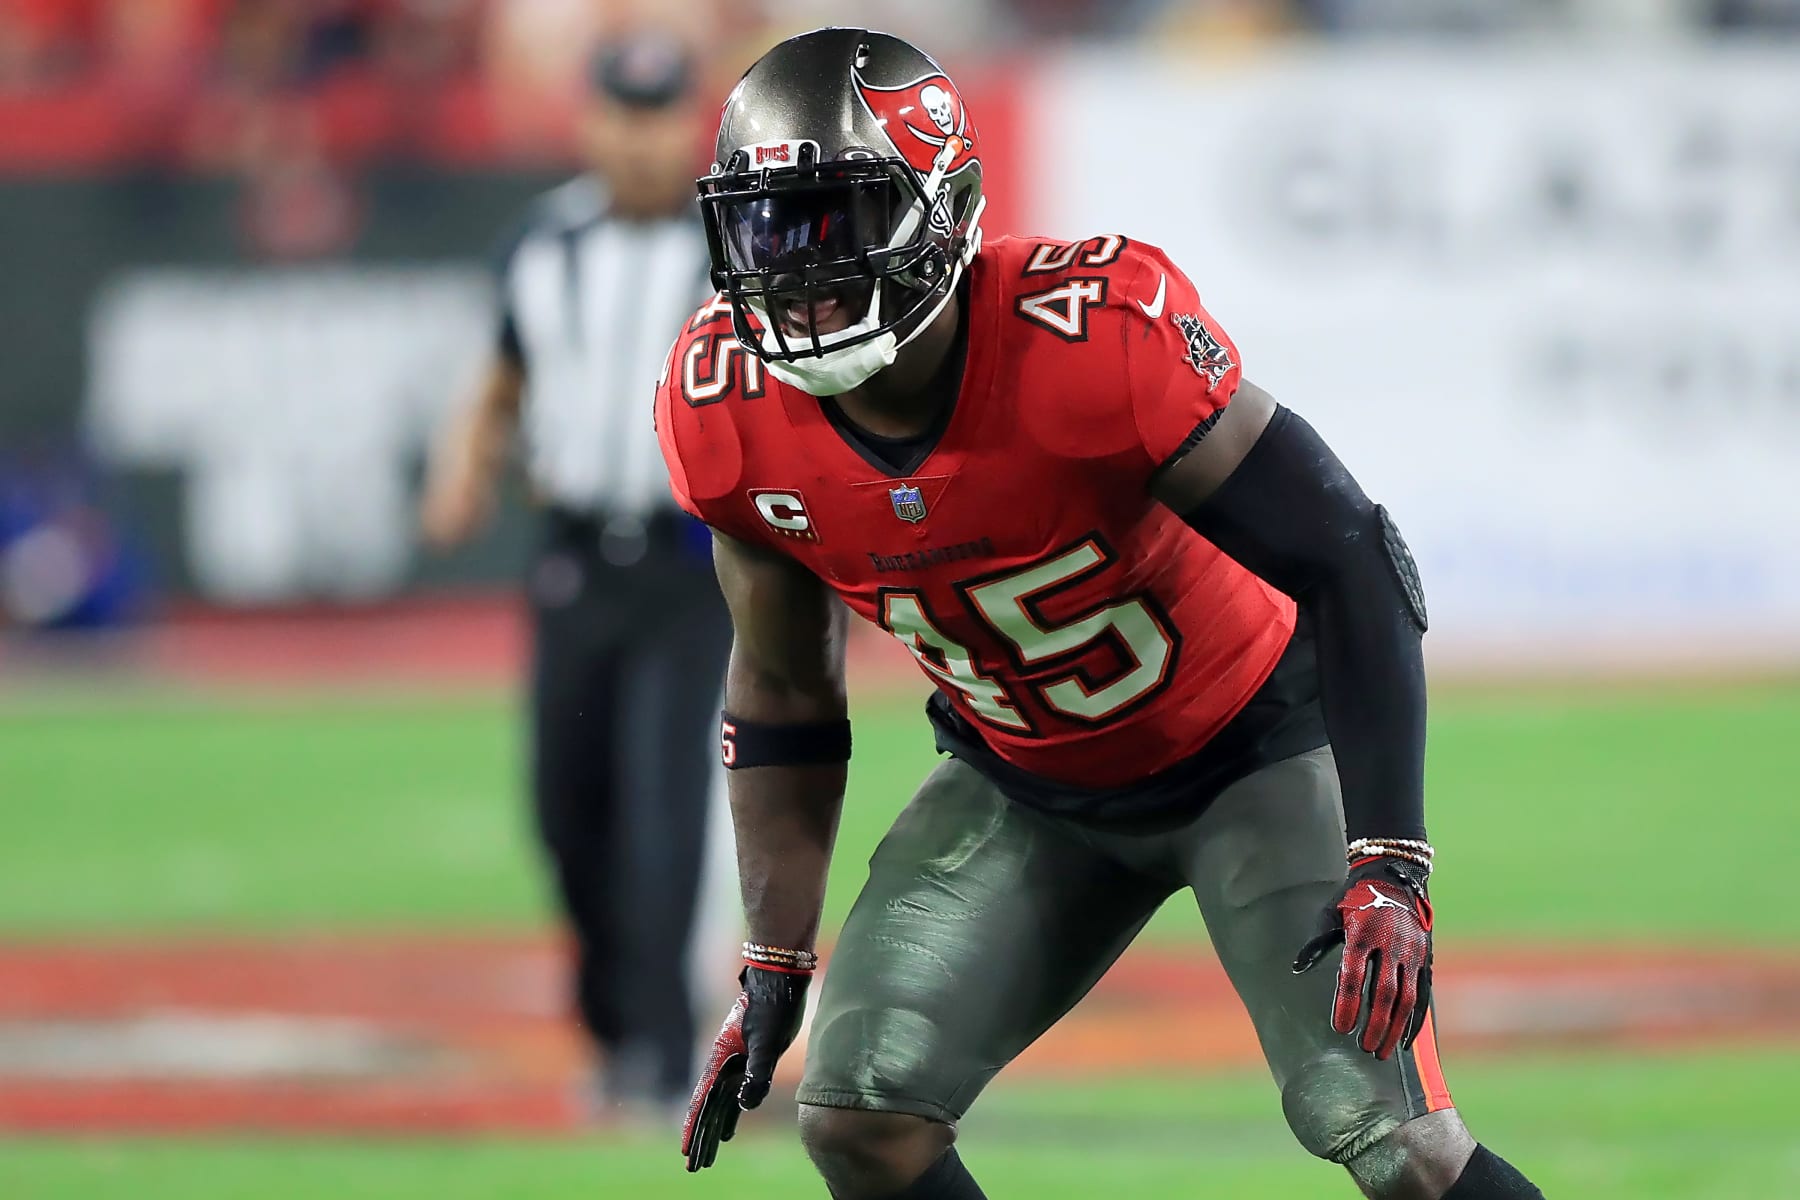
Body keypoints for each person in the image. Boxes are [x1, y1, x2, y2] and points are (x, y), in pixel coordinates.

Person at [658, 28, 1547, 1200]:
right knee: (859, 1111)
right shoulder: (721, 403)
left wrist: (1389, 859)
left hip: (1250, 752)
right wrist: (773, 960)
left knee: (1397, 1143)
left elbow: (1354, 555)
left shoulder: (1091, 335)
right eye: (770, 228)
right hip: (1025, 784)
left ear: (946, 208)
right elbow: (780, 690)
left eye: (840, 223)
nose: (800, 271)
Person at [419, 30, 729, 1117]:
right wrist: (464, 471)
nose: (639, 138)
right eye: (622, 112)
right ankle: (614, 1027)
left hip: (694, 564)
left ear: (690, 121)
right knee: (567, 809)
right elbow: (500, 373)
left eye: (658, 114)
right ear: (589, 118)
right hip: (574, 561)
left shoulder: (734, 243)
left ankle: (653, 1051)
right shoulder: (542, 242)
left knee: (663, 808)